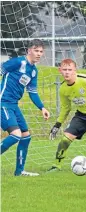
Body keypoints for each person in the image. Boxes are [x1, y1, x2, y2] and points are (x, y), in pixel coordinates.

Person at [1, 39, 50, 176]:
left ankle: (19, 171)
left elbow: (32, 92)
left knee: (25, 136)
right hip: (3, 103)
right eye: (36, 50)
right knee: (15, 135)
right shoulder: (18, 62)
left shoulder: (33, 71)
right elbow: (1, 69)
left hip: (13, 105)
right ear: (29, 50)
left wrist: (42, 108)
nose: (39, 54)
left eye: (41, 51)